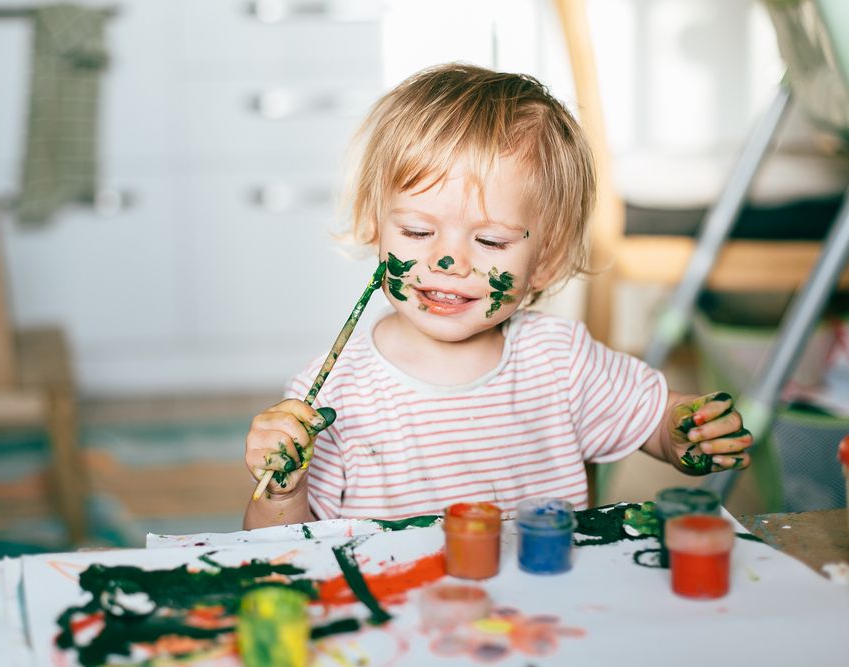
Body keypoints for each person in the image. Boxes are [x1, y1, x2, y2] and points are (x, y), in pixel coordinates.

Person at [243, 63, 752, 529]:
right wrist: (282, 491)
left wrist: (689, 430)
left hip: (543, 610)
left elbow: (658, 424)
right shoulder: (332, 394)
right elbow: (280, 550)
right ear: (376, 226)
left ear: (545, 261)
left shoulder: (560, 362)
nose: (448, 262)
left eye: (489, 241)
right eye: (418, 232)